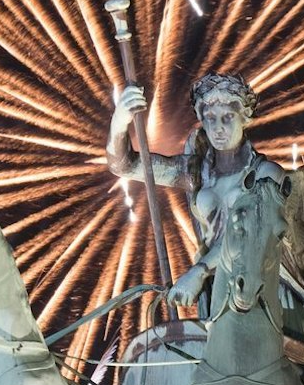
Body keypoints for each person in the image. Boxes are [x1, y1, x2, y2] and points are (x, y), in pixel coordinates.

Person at [106, 74, 288, 317]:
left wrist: (199, 270)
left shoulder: (267, 175)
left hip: (260, 288)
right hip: (214, 288)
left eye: (227, 117)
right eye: (210, 119)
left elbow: (252, 238)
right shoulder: (195, 172)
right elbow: (125, 166)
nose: (218, 128)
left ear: (245, 118)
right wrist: (119, 123)